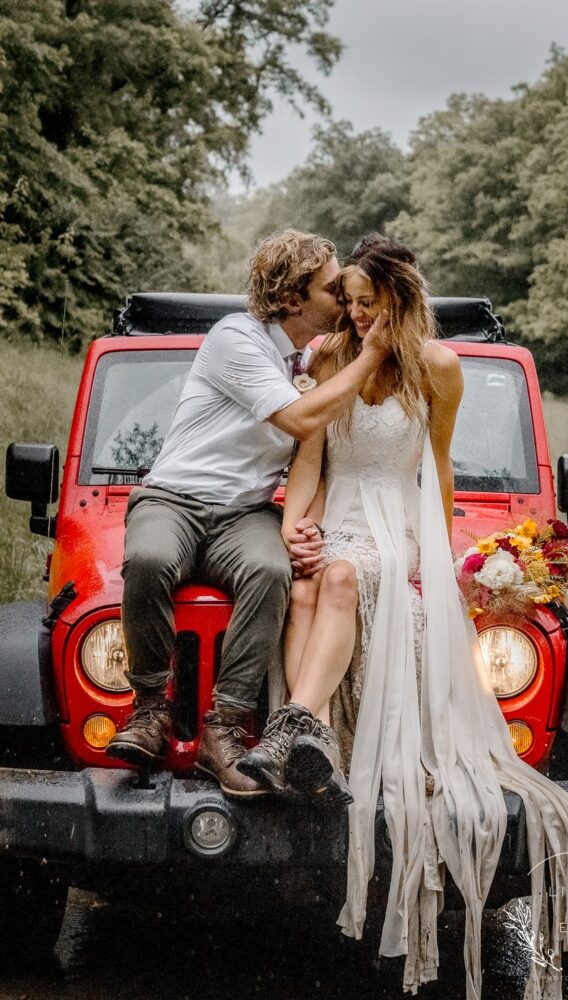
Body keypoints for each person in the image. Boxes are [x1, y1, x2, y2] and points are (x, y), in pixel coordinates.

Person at [238, 235, 568, 1000]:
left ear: (400, 298)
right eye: (348, 301)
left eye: (368, 302)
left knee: (335, 577)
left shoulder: (440, 367)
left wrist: (432, 556)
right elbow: (310, 461)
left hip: (397, 525)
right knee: (303, 583)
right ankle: (307, 739)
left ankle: (301, 726)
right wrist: (295, 526)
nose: (354, 314)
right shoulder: (330, 356)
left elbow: (437, 464)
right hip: (338, 509)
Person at [106, 229, 392, 798]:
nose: (344, 299)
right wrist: (373, 355)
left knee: (270, 571)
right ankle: (149, 710)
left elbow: (321, 454)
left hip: (246, 511)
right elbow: (302, 423)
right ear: (292, 298)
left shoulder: (315, 356)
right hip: (175, 497)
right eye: (334, 289)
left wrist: (301, 525)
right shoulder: (236, 337)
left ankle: (223, 730)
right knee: (149, 557)